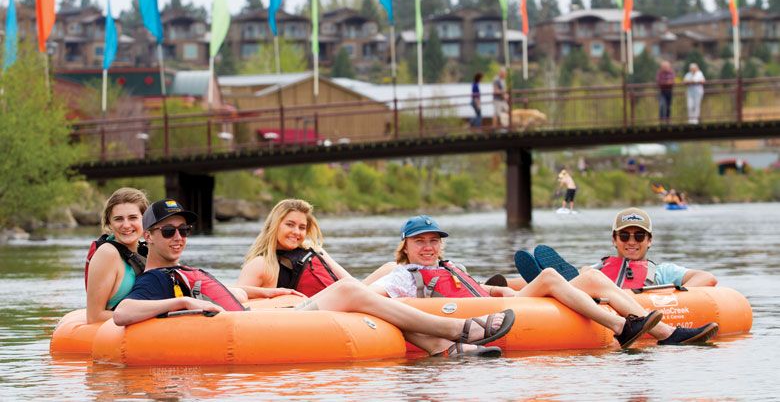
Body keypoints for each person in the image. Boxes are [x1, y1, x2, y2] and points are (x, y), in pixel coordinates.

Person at [114, 198, 517, 359]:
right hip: (259, 329)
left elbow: (231, 290)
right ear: (148, 236)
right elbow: (123, 313)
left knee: (357, 291)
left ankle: (446, 349)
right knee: (348, 289)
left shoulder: (184, 271)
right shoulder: (157, 279)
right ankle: (458, 330)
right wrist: (182, 303)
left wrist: (259, 292)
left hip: (261, 315)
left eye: (184, 230)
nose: (179, 238)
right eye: (169, 231)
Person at [366, 215, 718, 348]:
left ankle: (646, 329)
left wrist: (502, 288)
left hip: (498, 303)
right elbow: (375, 298)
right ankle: (634, 328)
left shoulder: (452, 265)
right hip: (486, 317)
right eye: (420, 242)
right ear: (406, 247)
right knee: (552, 275)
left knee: (591, 277)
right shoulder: (402, 276)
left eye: (433, 241)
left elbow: (483, 290)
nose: (428, 248)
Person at [590, 207, 715, 287]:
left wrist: (672, 298)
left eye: (639, 236)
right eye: (624, 236)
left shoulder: (663, 272)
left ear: (649, 240)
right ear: (614, 240)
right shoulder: (596, 271)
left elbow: (707, 278)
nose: (632, 242)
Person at [85, 188, 149, 324]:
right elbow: (94, 317)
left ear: (145, 220)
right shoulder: (107, 253)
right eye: (118, 219)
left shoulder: (147, 252)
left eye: (133, 218)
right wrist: (152, 316)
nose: (126, 225)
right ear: (109, 223)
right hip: (116, 336)